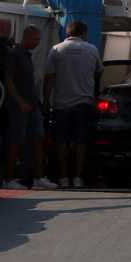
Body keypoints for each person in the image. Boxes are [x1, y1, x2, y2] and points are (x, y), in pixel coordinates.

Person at [43, 20, 102, 188]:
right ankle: (78, 177)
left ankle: (63, 177)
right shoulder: (92, 50)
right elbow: (99, 71)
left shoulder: (56, 50)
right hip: (84, 103)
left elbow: (49, 78)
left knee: (61, 141)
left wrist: (46, 100)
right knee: (81, 141)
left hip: (61, 104)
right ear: (84, 33)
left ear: (67, 33)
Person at [0, 22, 46, 189]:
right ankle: (8, 179)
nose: (38, 43)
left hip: (31, 103)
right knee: (16, 140)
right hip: (19, 106)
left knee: (38, 138)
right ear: (28, 38)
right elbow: (8, 81)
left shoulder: (27, 54)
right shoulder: (15, 54)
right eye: (36, 39)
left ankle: (38, 177)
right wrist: (20, 101)